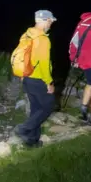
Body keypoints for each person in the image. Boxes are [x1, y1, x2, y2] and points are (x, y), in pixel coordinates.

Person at [15, 10, 57, 147]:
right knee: (49, 106)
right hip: (38, 79)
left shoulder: (27, 34)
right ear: (45, 20)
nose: (51, 24)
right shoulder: (43, 39)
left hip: (26, 77)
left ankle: (32, 141)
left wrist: (22, 74)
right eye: (50, 21)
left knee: (36, 108)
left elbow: (20, 55)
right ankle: (24, 128)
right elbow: (44, 63)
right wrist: (49, 82)